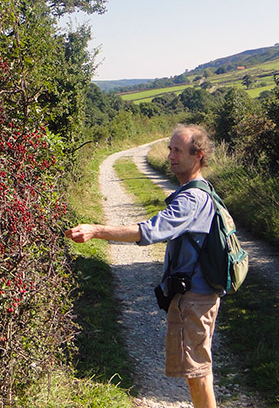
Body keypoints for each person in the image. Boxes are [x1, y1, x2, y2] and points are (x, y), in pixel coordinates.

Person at [65, 124, 220, 408]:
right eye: (170, 148)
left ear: (197, 156)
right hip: (198, 296)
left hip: (194, 300)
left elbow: (148, 231)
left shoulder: (191, 199)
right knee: (199, 373)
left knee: (197, 374)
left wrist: (96, 230)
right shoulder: (200, 190)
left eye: (177, 150)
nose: (170, 155)